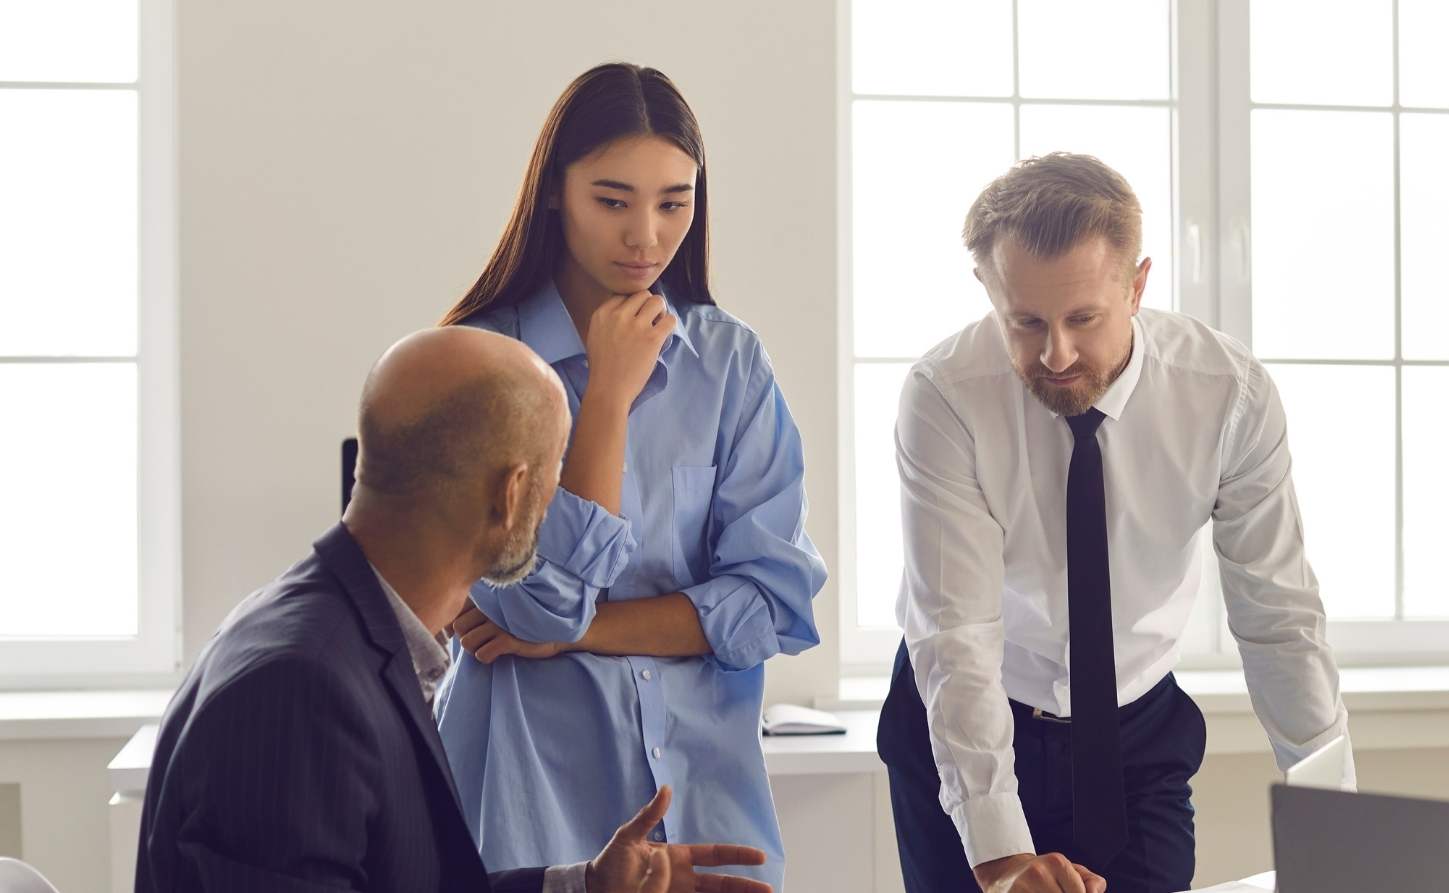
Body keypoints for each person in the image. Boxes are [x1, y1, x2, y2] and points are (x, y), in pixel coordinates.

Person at [134, 327, 771, 893]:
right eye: (558, 478)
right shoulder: (301, 690)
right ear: (512, 493)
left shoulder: (338, 632)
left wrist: (584, 887)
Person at [877, 153, 1356, 893]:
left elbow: (1279, 617)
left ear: (1136, 286)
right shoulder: (946, 396)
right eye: (1026, 321)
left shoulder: (1228, 396)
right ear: (987, 289)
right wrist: (1003, 860)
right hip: (974, 712)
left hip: (1136, 731)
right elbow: (956, 637)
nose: (1055, 353)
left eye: (1083, 319)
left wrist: (1335, 824)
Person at [432, 64, 827, 888]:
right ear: (554, 193)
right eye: (613, 201)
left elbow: (770, 603)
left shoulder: (732, 363)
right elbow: (534, 600)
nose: (646, 235)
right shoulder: (482, 360)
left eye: (673, 202)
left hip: (708, 789)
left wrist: (576, 633)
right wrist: (606, 394)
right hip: (529, 794)